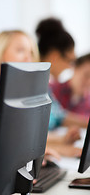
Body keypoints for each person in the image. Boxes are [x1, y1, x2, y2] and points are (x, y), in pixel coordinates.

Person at [35, 17, 82, 157]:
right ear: (55, 56)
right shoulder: (32, 86)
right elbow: (25, 139)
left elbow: (60, 116)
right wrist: (64, 149)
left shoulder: (45, 85)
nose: (70, 67)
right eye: (70, 61)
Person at [51, 53, 90, 128]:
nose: (89, 82)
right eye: (86, 75)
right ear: (74, 68)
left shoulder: (88, 105)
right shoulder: (51, 90)